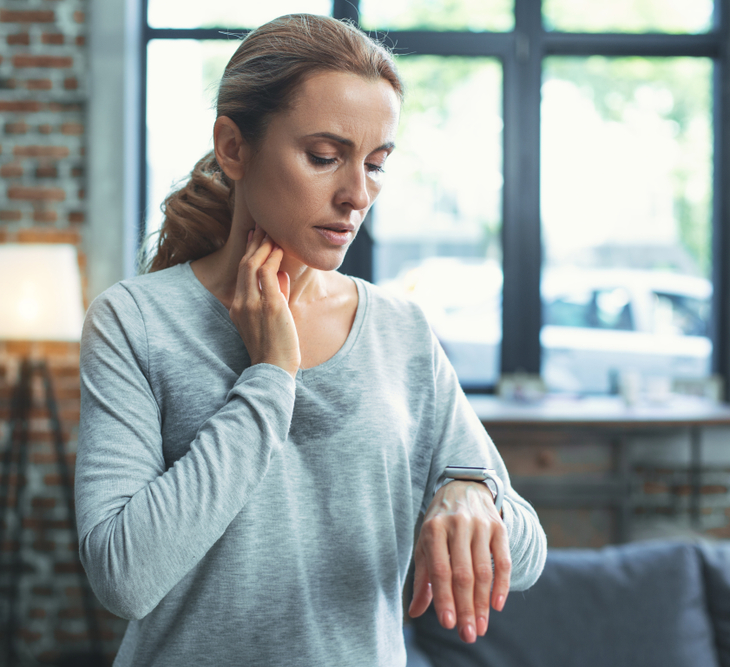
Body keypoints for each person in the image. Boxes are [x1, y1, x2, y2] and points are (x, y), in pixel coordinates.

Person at [75, 13, 546, 666]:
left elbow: (526, 554)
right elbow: (123, 576)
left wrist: (474, 491)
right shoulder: (134, 321)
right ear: (233, 147)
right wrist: (270, 376)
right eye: (325, 157)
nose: (356, 194)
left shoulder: (398, 329)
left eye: (377, 164)